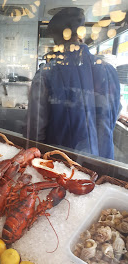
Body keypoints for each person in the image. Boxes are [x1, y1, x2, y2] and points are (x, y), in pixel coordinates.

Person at [25, 7, 120, 159]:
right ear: (81, 33)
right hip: (102, 162)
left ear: (56, 37)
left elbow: (36, 129)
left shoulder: (47, 73)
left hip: (61, 164)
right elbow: (112, 115)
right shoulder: (108, 70)